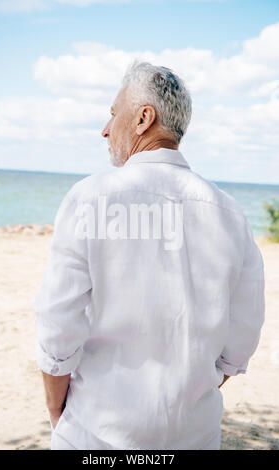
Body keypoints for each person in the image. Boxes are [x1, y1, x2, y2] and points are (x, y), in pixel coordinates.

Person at [34, 61, 265, 450]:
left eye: (112, 114)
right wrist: (188, 393)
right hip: (195, 436)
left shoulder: (89, 199)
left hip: (95, 436)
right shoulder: (230, 213)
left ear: (144, 118)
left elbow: (58, 329)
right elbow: (241, 342)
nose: (105, 129)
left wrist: (56, 412)